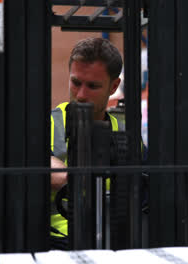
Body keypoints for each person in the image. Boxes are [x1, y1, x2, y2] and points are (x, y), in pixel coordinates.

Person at [50, 37, 123, 249]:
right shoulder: (48, 124)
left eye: (92, 86)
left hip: (114, 244)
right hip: (56, 242)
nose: (81, 95)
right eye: (76, 82)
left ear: (114, 86)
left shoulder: (126, 134)